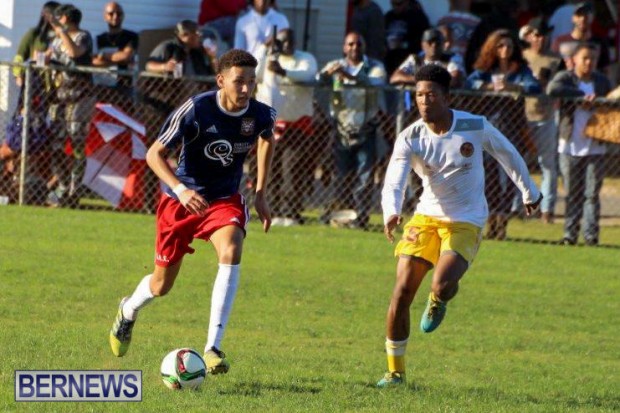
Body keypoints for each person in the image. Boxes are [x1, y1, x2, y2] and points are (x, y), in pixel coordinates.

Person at [109, 49, 276, 376]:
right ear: (221, 80)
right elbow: (154, 154)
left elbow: (267, 138)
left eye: (251, 82)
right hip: (181, 200)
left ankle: (213, 347)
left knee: (231, 249)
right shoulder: (196, 109)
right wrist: (181, 190)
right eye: (239, 81)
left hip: (223, 199)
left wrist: (260, 193)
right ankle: (128, 310)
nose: (246, 89)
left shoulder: (261, 114)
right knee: (161, 286)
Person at [377, 64, 541, 387]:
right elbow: (394, 179)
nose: (424, 101)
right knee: (401, 291)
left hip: (466, 219)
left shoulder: (473, 125)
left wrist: (530, 192)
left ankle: (439, 300)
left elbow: (507, 154)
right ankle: (395, 373)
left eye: (430, 95)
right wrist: (391, 212)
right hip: (426, 217)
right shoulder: (410, 137)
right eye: (419, 95)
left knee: (441, 284)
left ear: (446, 97)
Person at [465, 29, 541, 240]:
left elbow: (534, 86)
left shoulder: (520, 70)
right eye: (500, 45)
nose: (505, 49)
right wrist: (488, 86)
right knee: (489, 177)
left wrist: (513, 86)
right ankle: (491, 222)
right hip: (488, 127)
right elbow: (468, 83)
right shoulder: (486, 69)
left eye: (508, 45)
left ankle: (503, 223)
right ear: (493, 48)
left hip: (512, 128)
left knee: (509, 176)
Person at [317, 32, 386, 230]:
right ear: (344, 47)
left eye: (358, 44)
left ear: (364, 47)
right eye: (350, 44)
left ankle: (361, 216)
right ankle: (341, 215)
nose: (354, 47)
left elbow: (375, 82)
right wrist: (327, 75)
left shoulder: (374, 66)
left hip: (366, 128)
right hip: (341, 129)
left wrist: (347, 76)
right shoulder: (336, 64)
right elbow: (317, 79)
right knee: (340, 175)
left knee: (365, 176)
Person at [547, 43, 611, 246]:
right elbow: (552, 89)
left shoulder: (601, 81)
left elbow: (612, 100)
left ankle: (591, 236)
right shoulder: (566, 78)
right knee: (572, 193)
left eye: (593, 58)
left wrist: (599, 102)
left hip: (595, 145)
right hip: (570, 145)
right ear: (574, 59)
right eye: (585, 58)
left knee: (591, 194)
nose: (589, 62)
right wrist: (580, 97)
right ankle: (570, 235)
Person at [255, 29, 318, 225]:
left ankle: (291, 212)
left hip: (297, 126)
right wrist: (264, 48)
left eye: (290, 40)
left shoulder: (305, 59)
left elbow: (308, 74)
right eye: (282, 41)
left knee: (293, 169)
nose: (287, 45)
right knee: (271, 169)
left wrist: (283, 71)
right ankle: (272, 210)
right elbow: (255, 73)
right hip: (273, 126)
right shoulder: (270, 58)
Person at [46, 3, 95, 208]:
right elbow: (48, 56)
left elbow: (74, 53)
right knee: (55, 143)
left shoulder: (83, 36)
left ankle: (75, 190)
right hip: (58, 97)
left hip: (80, 97)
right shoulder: (56, 39)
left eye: (59, 18)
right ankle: (63, 186)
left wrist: (62, 32)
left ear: (66, 18)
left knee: (76, 142)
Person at [521, 18, 562, 223]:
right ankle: (517, 207)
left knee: (548, 165)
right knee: (518, 163)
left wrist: (548, 84)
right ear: (529, 36)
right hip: (522, 117)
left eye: (544, 35)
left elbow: (561, 85)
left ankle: (547, 210)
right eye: (537, 35)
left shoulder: (556, 60)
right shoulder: (522, 56)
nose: (541, 39)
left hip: (546, 116)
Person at [91, 2, 138, 111]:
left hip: (124, 87)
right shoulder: (99, 39)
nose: (115, 16)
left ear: (123, 16)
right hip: (103, 88)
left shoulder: (131, 36)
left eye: (119, 13)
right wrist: (117, 60)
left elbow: (126, 56)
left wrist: (102, 56)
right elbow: (93, 62)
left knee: (125, 118)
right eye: (111, 14)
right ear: (105, 16)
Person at [390, 28, 465, 87]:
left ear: (443, 44)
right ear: (423, 45)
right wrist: (422, 80)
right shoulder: (415, 59)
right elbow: (395, 77)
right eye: (430, 42)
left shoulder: (453, 58)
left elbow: (453, 81)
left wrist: (424, 82)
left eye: (438, 43)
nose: (434, 45)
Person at [551, 2, 610, 74]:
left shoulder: (600, 42)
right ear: (573, 18)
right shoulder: (560, 42)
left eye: (586, 15)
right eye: (579, 15)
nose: (583, 18)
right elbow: (553, 69)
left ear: (592, 18)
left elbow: (605, 71)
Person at [12, 1, 60, 89]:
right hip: (36, 81)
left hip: (58, 83)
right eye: (57, 15)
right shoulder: (34, 34)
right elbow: (20, 56)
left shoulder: (63, 35)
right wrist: (18, 75)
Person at [146, 20, 215, 76]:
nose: (199, 37)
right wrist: (165, 66)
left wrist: (212, 57)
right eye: (196, 34)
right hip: (176, 87)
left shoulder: (199, 51)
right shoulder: (168, 47)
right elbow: (149, 66)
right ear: (184, 35)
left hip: (198, 87)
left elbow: (211, 72)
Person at [384, 0, 430, 76]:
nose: (395, 7)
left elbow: (423, 40)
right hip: (390, 60)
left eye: (399, 4)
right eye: (393, 4)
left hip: (409, 60)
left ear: (407, 2)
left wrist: (403, 44)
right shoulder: (388, 17)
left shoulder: (418, 17)